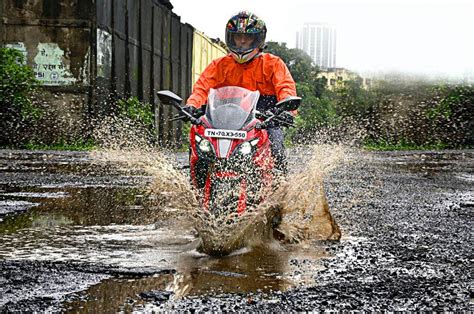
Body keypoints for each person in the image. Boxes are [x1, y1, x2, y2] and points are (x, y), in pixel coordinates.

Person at [185, 10, 297, 174]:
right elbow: (202, 88)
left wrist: (286, 110)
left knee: (276, 145)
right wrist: (192, 106)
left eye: (248, 37)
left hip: (265, 118)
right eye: (238, 37)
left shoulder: (273, 64)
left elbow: (286, 88)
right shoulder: (220, 65)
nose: (242, 41)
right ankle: (196, 185)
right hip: (225, 119)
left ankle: (280, 186)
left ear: (258, 40)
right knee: (197, 138)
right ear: (231, 38)